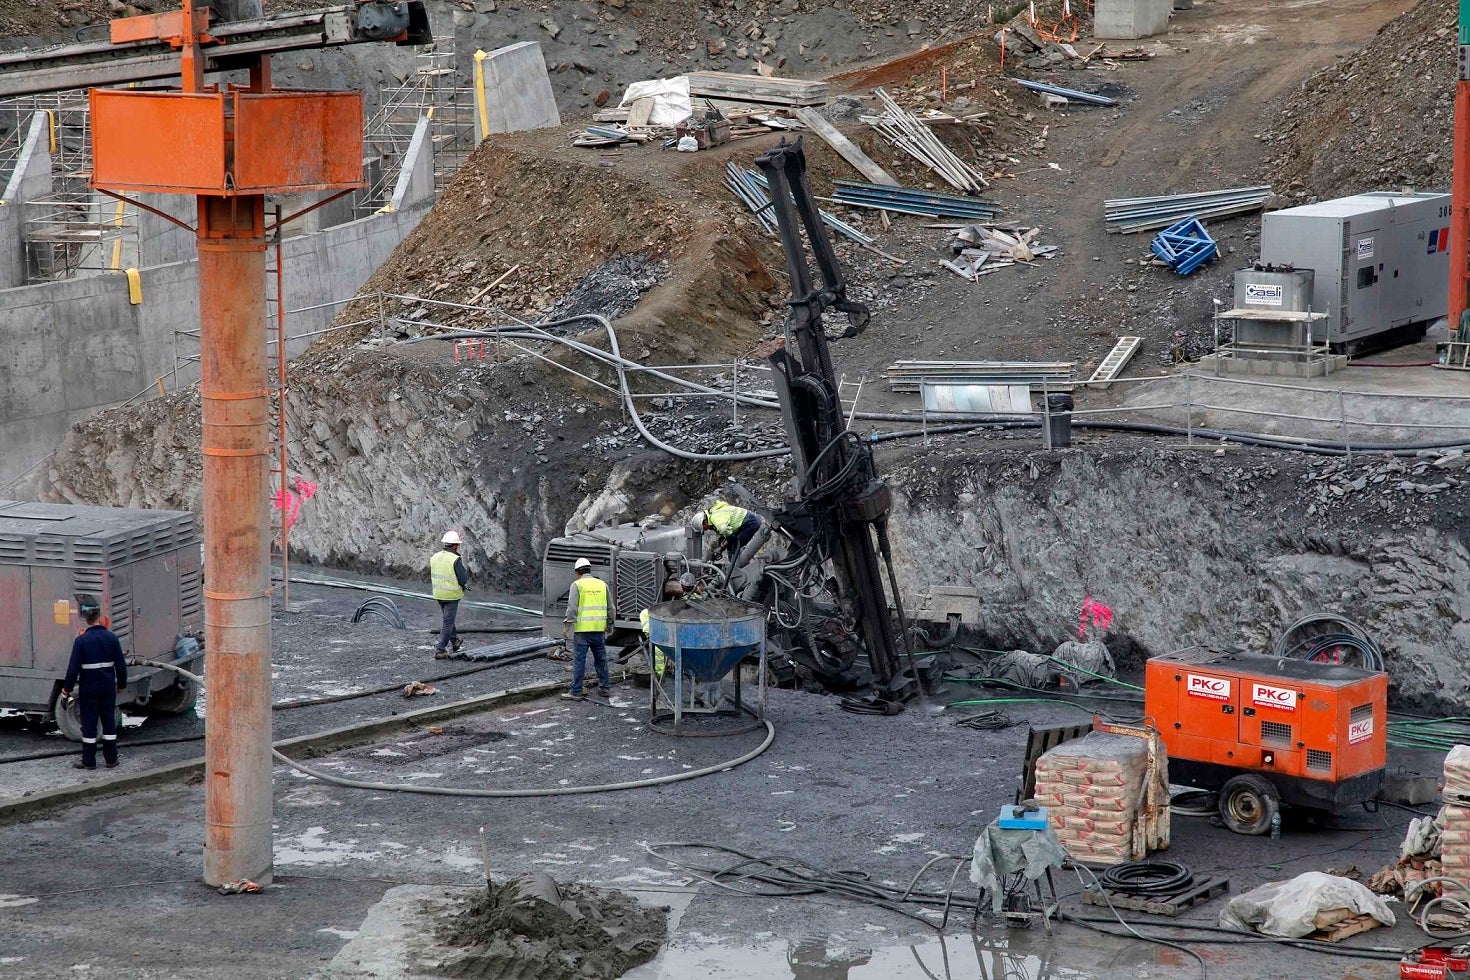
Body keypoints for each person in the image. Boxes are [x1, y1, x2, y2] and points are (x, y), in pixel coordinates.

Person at [59, 594, 127, 770]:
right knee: (109, 722)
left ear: (86, 622)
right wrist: (121, 685)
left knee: (89, 724)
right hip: (107, 687)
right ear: (101, 620)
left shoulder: (81, 641)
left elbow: (73, 670)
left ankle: (89, 761)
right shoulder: (112, 639)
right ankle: (111, 759)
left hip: (88, 688)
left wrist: (66, 691)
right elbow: (120, 665)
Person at [561, 557, 610, 701]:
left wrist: (567, 626)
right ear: (590, 570)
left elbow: (572, 609)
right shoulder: (602, 584)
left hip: (582, 631)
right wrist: (610, 625)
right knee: (601, 660)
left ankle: (576, 691)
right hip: (599, 630)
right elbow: (610, 608)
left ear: (577, 572)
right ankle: (605, 688)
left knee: (579, 661)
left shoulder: (577, 585)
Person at [430, 530, 467, 659]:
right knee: (448, 623)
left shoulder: (435, 557)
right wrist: (464, 586)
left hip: (439, 594)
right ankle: (440, 649)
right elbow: (463, 579)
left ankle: (455, 641)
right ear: (455, 545)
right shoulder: (455, 559)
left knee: (448, 619)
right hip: (451, 595)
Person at [694, 500, 763, 561]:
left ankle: (740, 566)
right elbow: (726, 535)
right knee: (729, 543)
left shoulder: (716, 520)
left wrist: (721, 548)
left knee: (735, 544)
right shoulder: (713, 514)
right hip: (746, 521)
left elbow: (730, 536)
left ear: (704, 522)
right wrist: (721, 547)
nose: (706, 529)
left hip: (751, 522)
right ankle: (737, 565)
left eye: (705, 528)